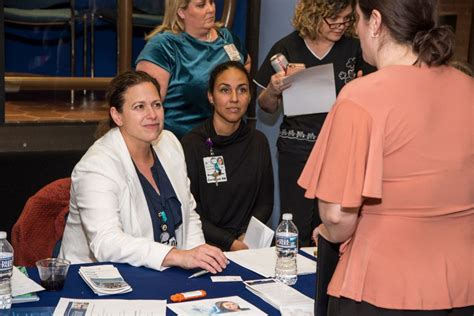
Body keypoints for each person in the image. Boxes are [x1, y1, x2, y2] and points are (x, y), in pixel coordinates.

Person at [298, 0, 474, 315]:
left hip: (382, 286)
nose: (356, 29)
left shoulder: (361, 96)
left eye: (358, 19)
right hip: (464, 285)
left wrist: (326, 233)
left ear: (375, 22)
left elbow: (337, 217)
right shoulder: (467, 88)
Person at [60, 71, 228, 274]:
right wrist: (177, 256)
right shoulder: (96, 166)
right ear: (117, 115)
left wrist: (197, 259)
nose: (152, 114)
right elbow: (106, 243)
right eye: (139, 107)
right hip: (98, 279)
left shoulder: (170, 144)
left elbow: (188, 214)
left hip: (163, 272)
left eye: (156, 104)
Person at [254, 0, 373, 247]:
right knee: (296, 219)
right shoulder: (287, 48)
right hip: (297, 148)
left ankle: (325, 278)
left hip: (339, 149)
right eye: (334, 19)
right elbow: (266, 107)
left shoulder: (355, 49)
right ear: (314, 15)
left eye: (347, 19)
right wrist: (274, 89)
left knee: (332, 221)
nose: (341, 25)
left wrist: (361, 90)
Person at [181, 61, 273, 251]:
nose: (234, 98)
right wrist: (229, 243)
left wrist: (246, 236)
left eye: (242, 90)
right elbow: (191, 212)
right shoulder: (192, 144)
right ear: (211, 97)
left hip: (248, 243)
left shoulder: (258, 142)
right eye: (225, 90)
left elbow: (265, 203)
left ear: (249, 97)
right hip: (205, 246)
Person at [136, 0, 251, 139]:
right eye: (201, 5)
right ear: (181, 12)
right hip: (182, 144)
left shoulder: (226, 36)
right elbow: (144, 105)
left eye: (211, 2)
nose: (210, 9)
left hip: (229, 140)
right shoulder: (164, 46)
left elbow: (246, 62)